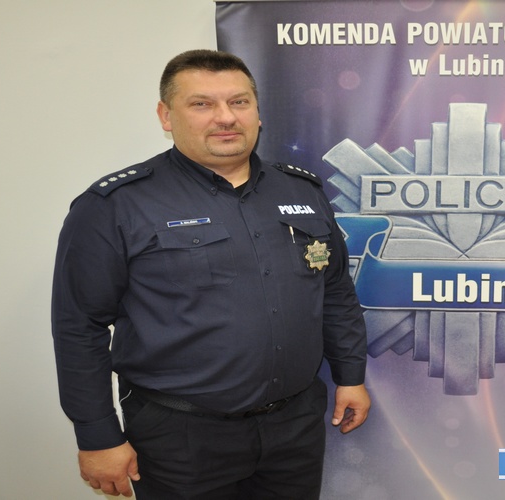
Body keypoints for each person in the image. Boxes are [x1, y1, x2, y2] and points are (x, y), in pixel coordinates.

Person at [51, 49, 370, 499]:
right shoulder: (116, 205)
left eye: (239, 102)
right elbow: (78, 326)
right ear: (166, 116)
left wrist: (350, 375)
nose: (225, 117)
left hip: (294, 427)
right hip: (180, 437)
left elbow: (334, 290)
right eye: (202, 104)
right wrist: (97, 433)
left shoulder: (301, 190)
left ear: (257, 113)